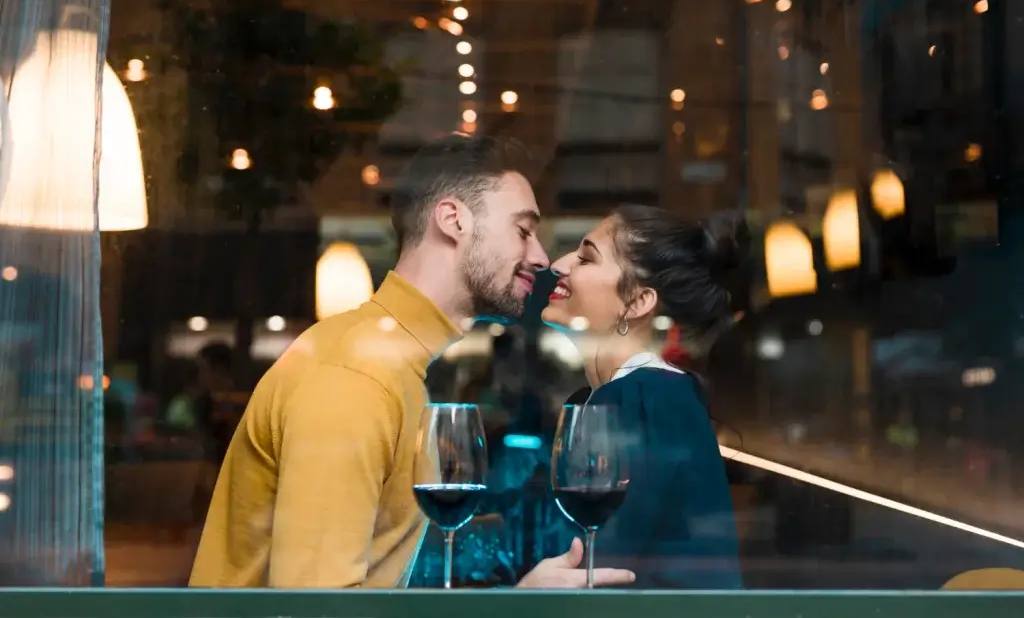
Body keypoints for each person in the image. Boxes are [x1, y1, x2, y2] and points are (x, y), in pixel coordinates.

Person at [189, 134, 635, 589]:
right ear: (452, 220)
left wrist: (514, 600)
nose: (540, 257)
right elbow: (318, 614)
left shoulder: (387, 366)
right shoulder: (356, 379)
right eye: (523, 230)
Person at [541, 204, 745, 589]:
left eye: (585, 258)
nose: (558, 264)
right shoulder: (637, 395)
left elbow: (596, 572)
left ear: (636, 303)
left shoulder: (641, 399)